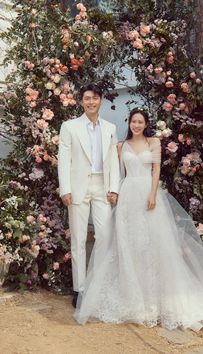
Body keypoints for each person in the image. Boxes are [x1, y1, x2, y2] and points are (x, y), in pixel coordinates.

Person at [74, 108, 203, 331]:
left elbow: (157, 170)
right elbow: (117, 174)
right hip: (128, 196)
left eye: (140, 122)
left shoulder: (154, 143)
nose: (136, 125)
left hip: (148, 195)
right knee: (129, 245)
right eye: (133, 121)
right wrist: (114, 194)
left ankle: (156, 298)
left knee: (153, 245)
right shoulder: (121, 146)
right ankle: (133, 297)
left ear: (146, 123)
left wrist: (152, 194)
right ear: (129, 123)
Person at [58, 83, 120, 308]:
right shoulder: (70, 126)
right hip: (77, 188)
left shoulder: (110, 128)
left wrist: (114, 187)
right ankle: (80, 289)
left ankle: (99, 285)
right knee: (78, 239)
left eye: (95, 98)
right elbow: (64, 161)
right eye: (87, 98)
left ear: (101, 100)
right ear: (81, 101)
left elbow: (113, 159)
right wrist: (65, 189)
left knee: (104, 236)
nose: (91, 102)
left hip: (102, 185)